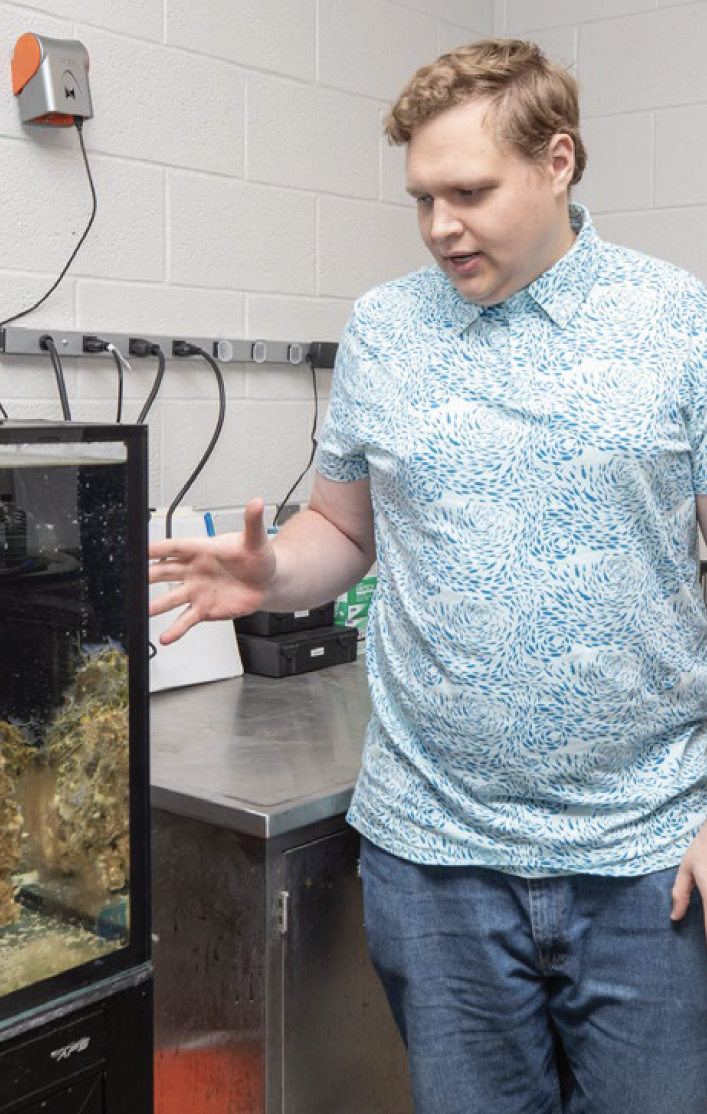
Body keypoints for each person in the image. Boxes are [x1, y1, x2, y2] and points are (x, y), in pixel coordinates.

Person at [149, 38, 707, 1114]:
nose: (440, 225)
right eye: (420, 198)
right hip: (434, 853)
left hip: (643, 854)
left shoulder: (677, 324)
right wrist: (270, 572)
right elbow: (342, 530)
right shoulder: (383, 328)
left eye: (469, 191)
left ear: (557, 162)